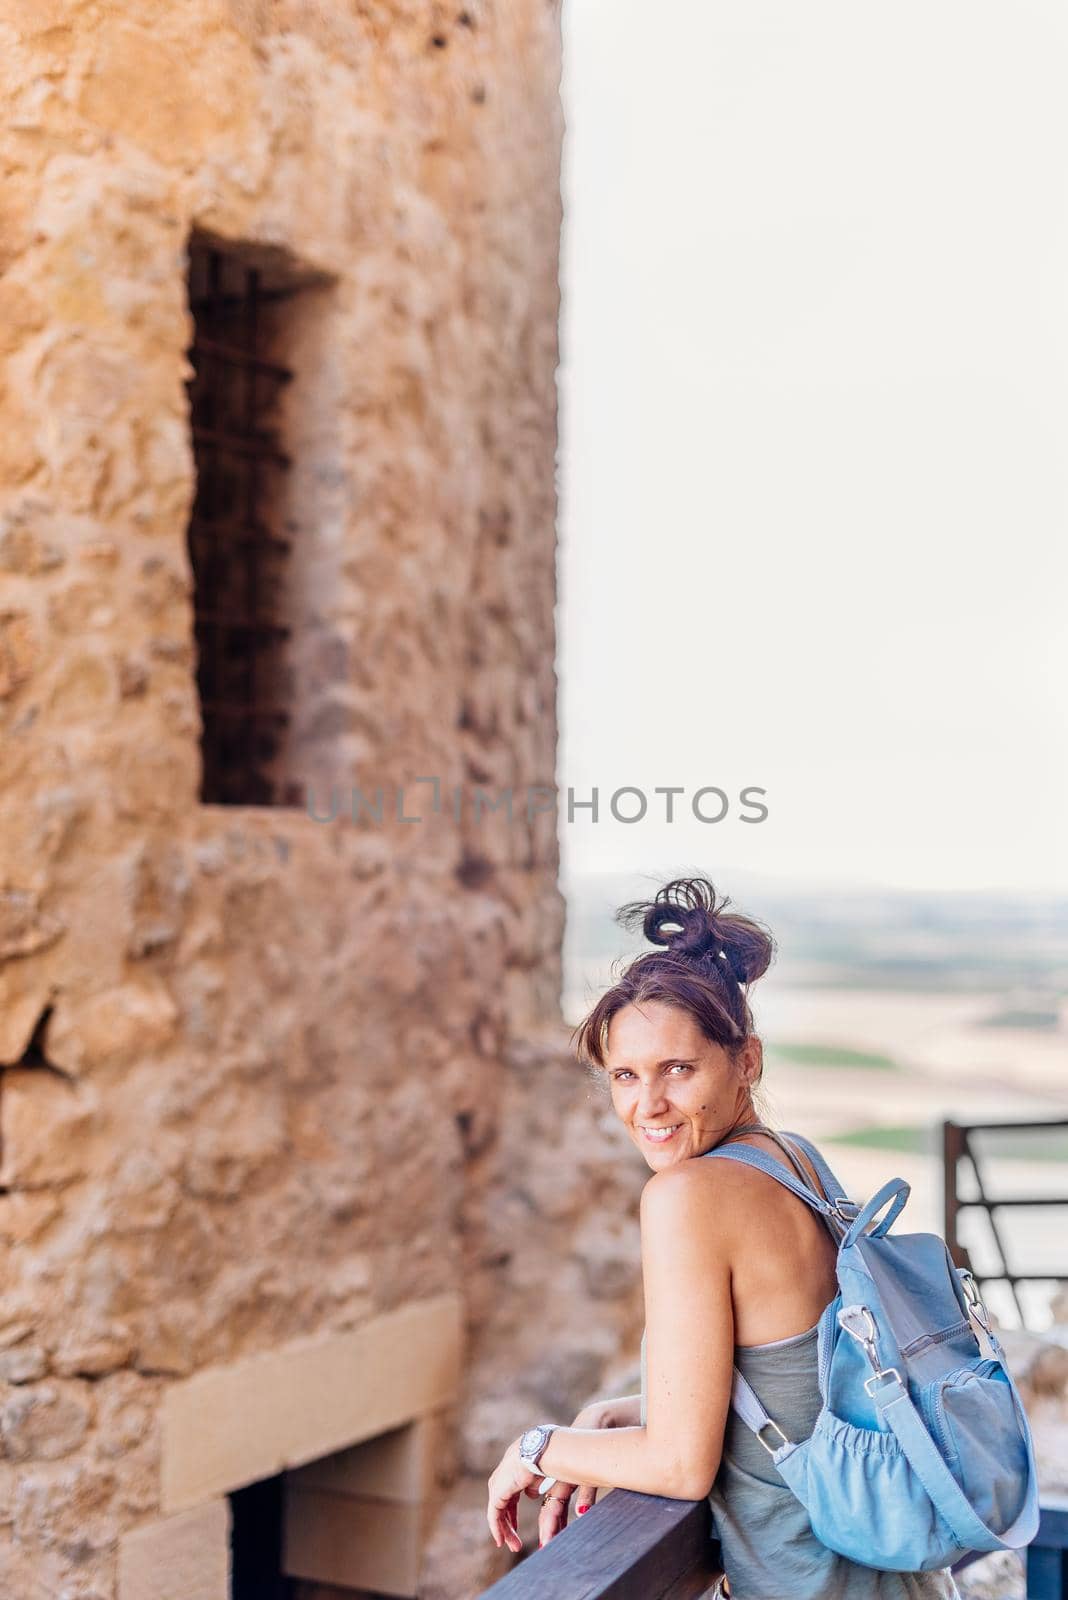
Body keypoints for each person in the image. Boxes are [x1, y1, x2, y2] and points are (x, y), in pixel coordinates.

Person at [485, 876, 962, 1599]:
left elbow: (680, 1466)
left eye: (678, 1069)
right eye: (624, 1075)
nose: (648, 1105)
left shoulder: (687, 1196)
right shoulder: (795, 1159)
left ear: (747, 1062)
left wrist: (538, 1448)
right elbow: (804, 1386)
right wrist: (631, 1417)